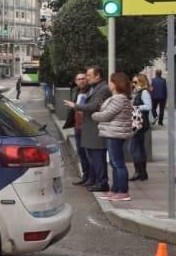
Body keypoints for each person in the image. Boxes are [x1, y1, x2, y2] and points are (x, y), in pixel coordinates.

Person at [92, 71, 135, 201]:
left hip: (115, 133)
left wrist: (94, 115)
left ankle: (122, 191)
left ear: (116, 84)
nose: (109, 84)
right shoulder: (121, 98)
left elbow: (106, 115)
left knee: (117, 163)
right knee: (115, 162)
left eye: (111, 81)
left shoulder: (118, 99)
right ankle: (115, 189)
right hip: (115, 132)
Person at [65, 66, 107, 191]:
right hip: (81, 126)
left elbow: (93, 106)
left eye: (88, 76)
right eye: (80, 79)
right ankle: (89, 178)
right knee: (85, 154)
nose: (86, 79)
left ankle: (99, 181)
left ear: (98, 76)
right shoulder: (81, 90)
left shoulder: (101, 89)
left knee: (96, 157)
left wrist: (75, 106)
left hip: (92, 126)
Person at [130, 73, 153, 181]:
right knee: (139, 147)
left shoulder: (144, 92)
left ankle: (139, 172)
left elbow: (148, 106)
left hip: (140, 123)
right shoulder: (136, 92)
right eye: (133, 82)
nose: (133, 84)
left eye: (135, 82)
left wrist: (135, 107)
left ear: (141, 82)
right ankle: (142, 172)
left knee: (133, 147)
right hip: (137, 122)